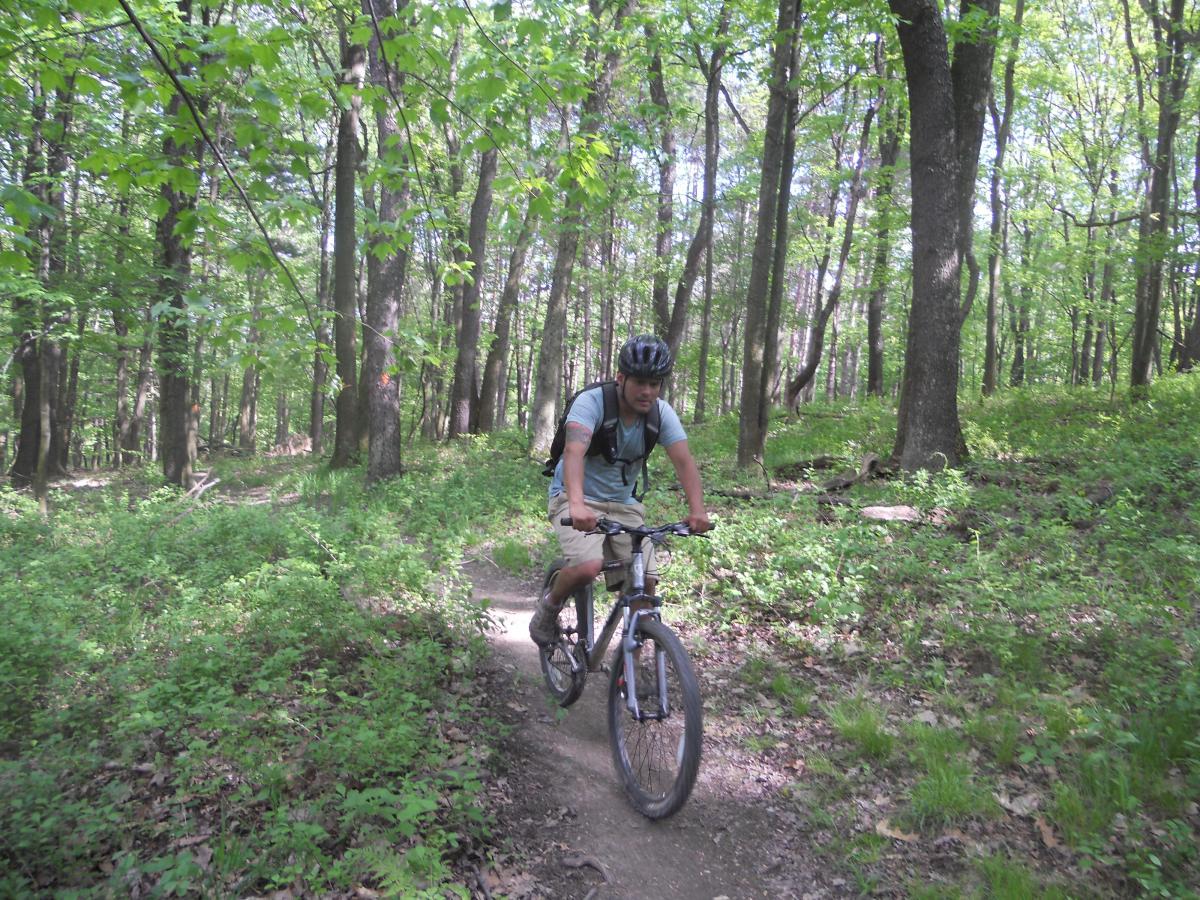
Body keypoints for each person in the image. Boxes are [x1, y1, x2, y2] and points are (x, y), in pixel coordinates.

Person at [530, 334, 712, 646]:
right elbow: (573, 453)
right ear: (621, 378)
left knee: (645, 582)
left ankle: (631, 674)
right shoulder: (592, 403)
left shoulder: (660, 413)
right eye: (640, 382)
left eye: (655, 384)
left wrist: (698, 510)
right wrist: (576, 505)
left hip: (624, 503)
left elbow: (683, 461)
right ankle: (550, 605)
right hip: (575, 496)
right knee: (588, 567)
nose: (647, 391)